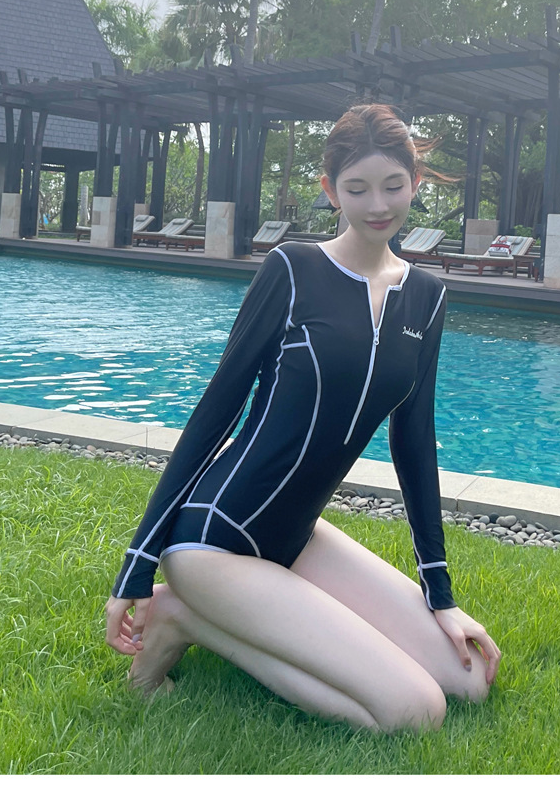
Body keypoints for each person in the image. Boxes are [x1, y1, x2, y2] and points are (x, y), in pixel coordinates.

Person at [105, 104, 501, 732]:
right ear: (330, 190)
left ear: (416, 183)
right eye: (357, 188)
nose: (378, 205)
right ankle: (182, 615)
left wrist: (441, 598)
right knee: (415, 712)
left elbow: (415, 442)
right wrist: (139, 561)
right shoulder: (293, 270)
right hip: (214, 538)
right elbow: (216, 414)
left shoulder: (427, 297)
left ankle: (200, 616)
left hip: (298, 536)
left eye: (393, 185)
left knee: (470, 680)